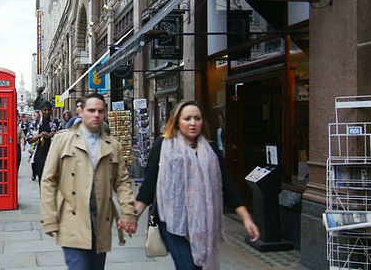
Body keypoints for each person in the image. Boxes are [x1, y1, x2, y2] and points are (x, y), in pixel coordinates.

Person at [134, 100, 259, 269]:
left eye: (197, 118)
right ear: (177, 121)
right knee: (188, 267)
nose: (192, 123)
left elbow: (228, 186)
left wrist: (246, 218)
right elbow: (149, 186)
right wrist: (132, 216)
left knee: (198, 266)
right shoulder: (162, 146)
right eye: (187, 118)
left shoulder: (211, 150)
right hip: (171, 220)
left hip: (203, 222)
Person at [40, 93, 138, 270]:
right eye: (91, 110)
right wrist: (49, 217)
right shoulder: (63, 140)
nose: (96, 115)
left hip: (101, 220)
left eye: (100, 111)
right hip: (72, 219)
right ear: (81, 112)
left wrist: (128, 212)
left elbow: (122, 182)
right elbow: (48, 181)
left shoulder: (113, 145)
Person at [27, 101, 60, 184]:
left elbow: (61, 139)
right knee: (42, 180)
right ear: (41, 110)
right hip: (39, 155)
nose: (47, 112)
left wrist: (54, 135)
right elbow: (30, 140)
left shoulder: (55, 123)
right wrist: (40, 135)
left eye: (49, 110)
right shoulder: (35, 123)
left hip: (53, 154)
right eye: (45, 110)